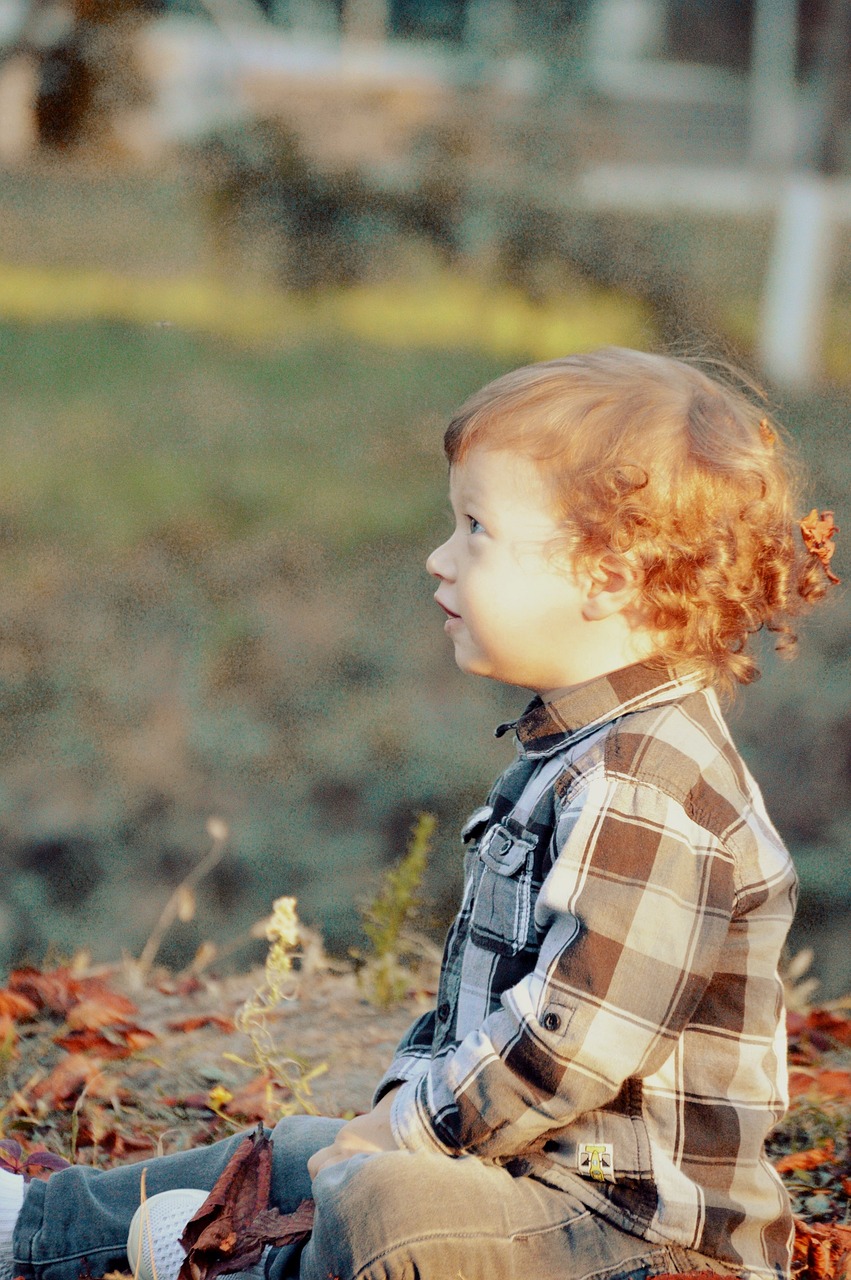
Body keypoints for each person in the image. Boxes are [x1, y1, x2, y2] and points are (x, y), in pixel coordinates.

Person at [0, 349, 839, 1280]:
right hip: (530, 1186)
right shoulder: (578, 750)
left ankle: (225, 1261)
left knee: (386, 1208)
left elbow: (571, 1047)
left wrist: (401, 1131)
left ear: (606, 575)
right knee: (295, 1152)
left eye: (475, 528)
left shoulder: (644, 786)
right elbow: (476, 1022)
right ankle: (34, 1225)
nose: (438, 557)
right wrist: (376, 1128)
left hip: (633, 1235)